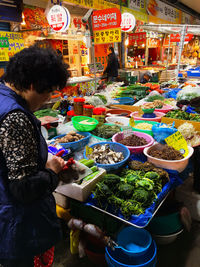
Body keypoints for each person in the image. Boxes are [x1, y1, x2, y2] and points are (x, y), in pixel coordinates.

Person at [0, 46, 70, 267]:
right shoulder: (16, 117)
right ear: (31, 85)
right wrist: (52, 172)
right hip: (16, 224)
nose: (48, 98)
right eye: (47, 92)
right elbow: (24, 187)